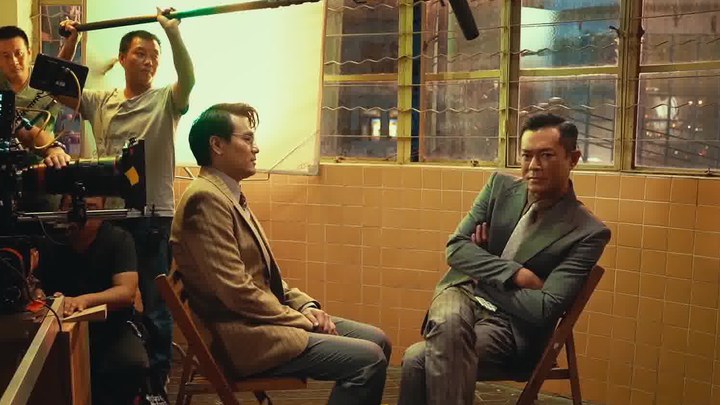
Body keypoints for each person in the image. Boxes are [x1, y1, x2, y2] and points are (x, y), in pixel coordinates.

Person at [171, 103, 391, 405]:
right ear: (217, 145)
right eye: (247, 139)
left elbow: (264, 280)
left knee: (378, 339)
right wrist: (301, 320)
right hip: (245, 340)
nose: (256, 148)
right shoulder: (205, 200)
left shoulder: (226, 195)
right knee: (369, 359)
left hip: (261, 324)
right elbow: (237, 292)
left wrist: (306, 306)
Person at [398, 113, 611, 405]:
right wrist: (515, 274)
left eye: (546, 155)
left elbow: (544, 308)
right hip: (461, 293)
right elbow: (456, 248)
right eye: (527, 155)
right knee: (446, 327)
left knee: (418, 359)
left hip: (510, 327)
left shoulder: (587, 231)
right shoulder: (499, 188)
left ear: (572, 159)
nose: (533, 166)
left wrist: (481, 270)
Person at [58, 10, 195, 397]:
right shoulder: (101, 101)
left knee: (155, 303)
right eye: (140, 53)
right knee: (113, 295)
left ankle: (157, 383)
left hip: (151, 216)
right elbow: (54, 86)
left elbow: (188, 79)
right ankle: (113, 374)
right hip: (108, 217)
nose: (149, 61)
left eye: (154, 55)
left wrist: (173, 34)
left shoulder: (167, 100)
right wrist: (70, 42)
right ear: (122, 59)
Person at [34, 196, 148, 405]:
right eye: (72, 207)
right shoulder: (48, 240)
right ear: (60, 210)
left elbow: (126, 292)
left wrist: (83, 300)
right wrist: (41, 295)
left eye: (91, 208)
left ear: (103, 212)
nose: (81, 215)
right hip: (57, 331)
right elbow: (35, 285)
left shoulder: (119, 239)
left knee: (131, 363)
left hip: (110, 329)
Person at [0, 25, 71, 167]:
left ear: (29, 53)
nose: (13, 61)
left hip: (42, 165)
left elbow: (62, 65)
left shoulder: (44, 80)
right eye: (5, 56)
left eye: (19, 53)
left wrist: (71, 41)